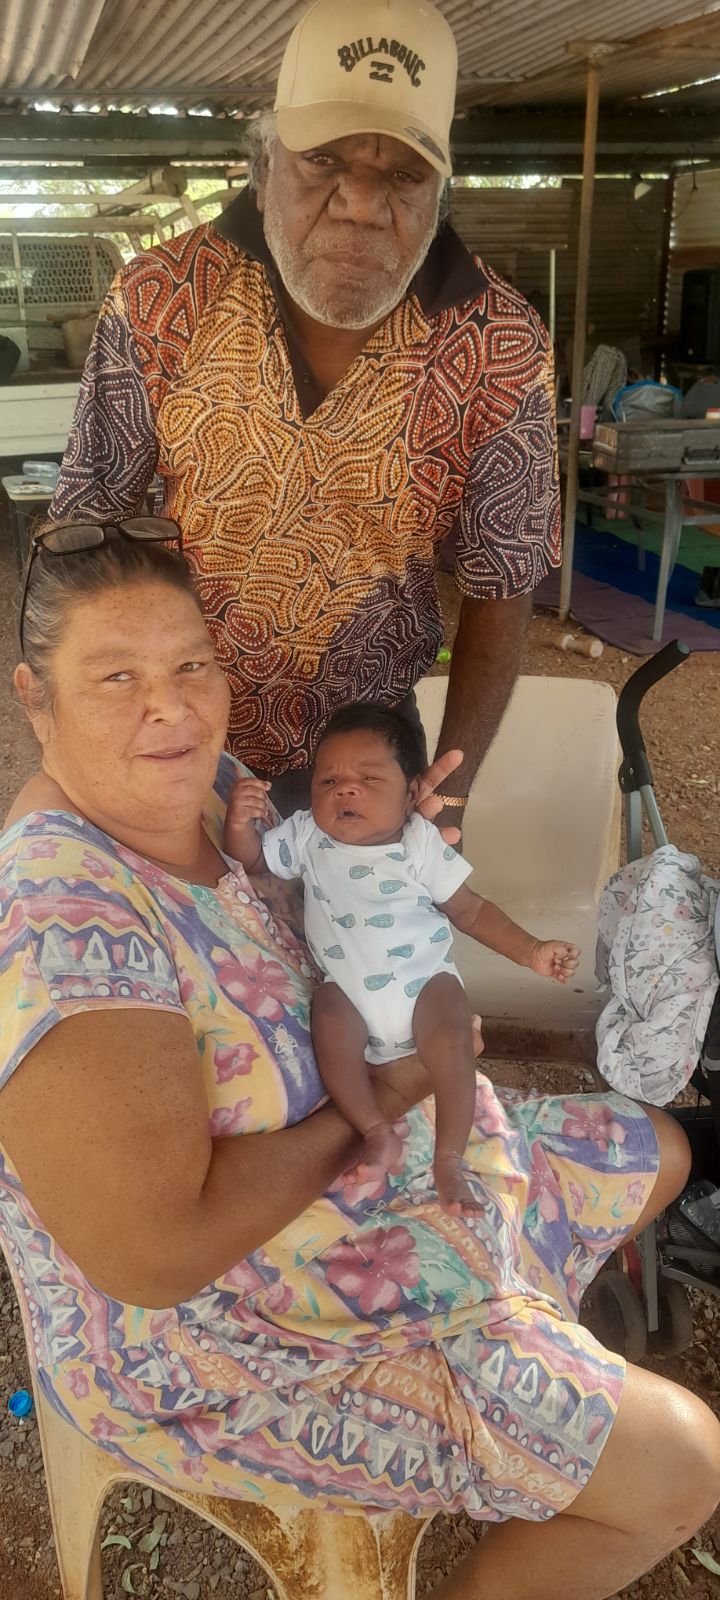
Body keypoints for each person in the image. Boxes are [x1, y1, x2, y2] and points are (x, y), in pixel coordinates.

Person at [2, 527, 720, 1600]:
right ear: (35, 698)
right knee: (683, 1465)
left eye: (193, 664)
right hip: (224, 1336)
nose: (175, 706)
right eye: (117, 676)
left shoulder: (213, 790)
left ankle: (528, 1321)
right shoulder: (66, 922)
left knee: (666, 1144)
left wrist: (388, 832)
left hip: (370, 1180)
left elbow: (325, 885)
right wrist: (378, 1102)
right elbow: (158, 1256)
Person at [48, 0, 561, 828]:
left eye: (402, 175)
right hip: (178, 742)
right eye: (322, 160)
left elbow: (503, 581)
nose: (360, 202)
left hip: (368, 761)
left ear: (440, 192)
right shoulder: (162, 299)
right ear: (262, 167)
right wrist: (75, 727)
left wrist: (448, 791)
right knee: (198, 953)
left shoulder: (500, 343)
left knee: (356, 955)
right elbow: (88, 528)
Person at [225, 702, 579, 1215]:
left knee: (454, 1037)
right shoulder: (306, 835)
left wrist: (531, 951)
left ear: (413, 793)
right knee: (327, 1014)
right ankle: (375, 1131)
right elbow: (254, 861)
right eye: (328, 782)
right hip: (347, 991)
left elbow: (471, 910)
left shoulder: (419, 843)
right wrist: (240, 822)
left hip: (424, 984)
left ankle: (449, 1161)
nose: (345, 790)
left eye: (368, 778)